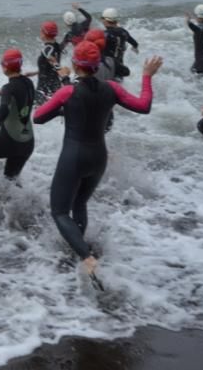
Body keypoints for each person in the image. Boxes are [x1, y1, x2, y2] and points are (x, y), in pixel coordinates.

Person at [34, 42, 161, 279]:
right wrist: (146, 76)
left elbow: (38, 117)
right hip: (98, 157)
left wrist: (63, 101)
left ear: (74, 64)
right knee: (79, 203)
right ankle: (81, 249)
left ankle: (87, 257)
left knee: (60, 212)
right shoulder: (111, 88)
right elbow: (144, 106)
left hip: (74, 157)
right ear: (96, 65)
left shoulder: (68, 92)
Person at [0, 49, 35, 180]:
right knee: (10, 179)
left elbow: (3, 111)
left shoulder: (8, 88)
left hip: (10, 140)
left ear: (5, 66)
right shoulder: (28, 82)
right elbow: (19, 95)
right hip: (28, 142)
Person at [28, 21, 69, 104]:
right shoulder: (57, 46)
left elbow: (54, 63)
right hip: (55, 83)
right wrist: (36, 72)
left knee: (41, 112)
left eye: (41, 31)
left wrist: (66, 79)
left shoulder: (47, 49)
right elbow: (50, 66)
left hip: (45, 87)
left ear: (44, 33)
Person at [101, 8, 139, 80]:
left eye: (102, 18)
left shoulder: (104, 34)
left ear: (105, 20)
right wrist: (134, 48)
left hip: (108, 67)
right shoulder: (123, 32)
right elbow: (135, 44)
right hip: (120, 67)